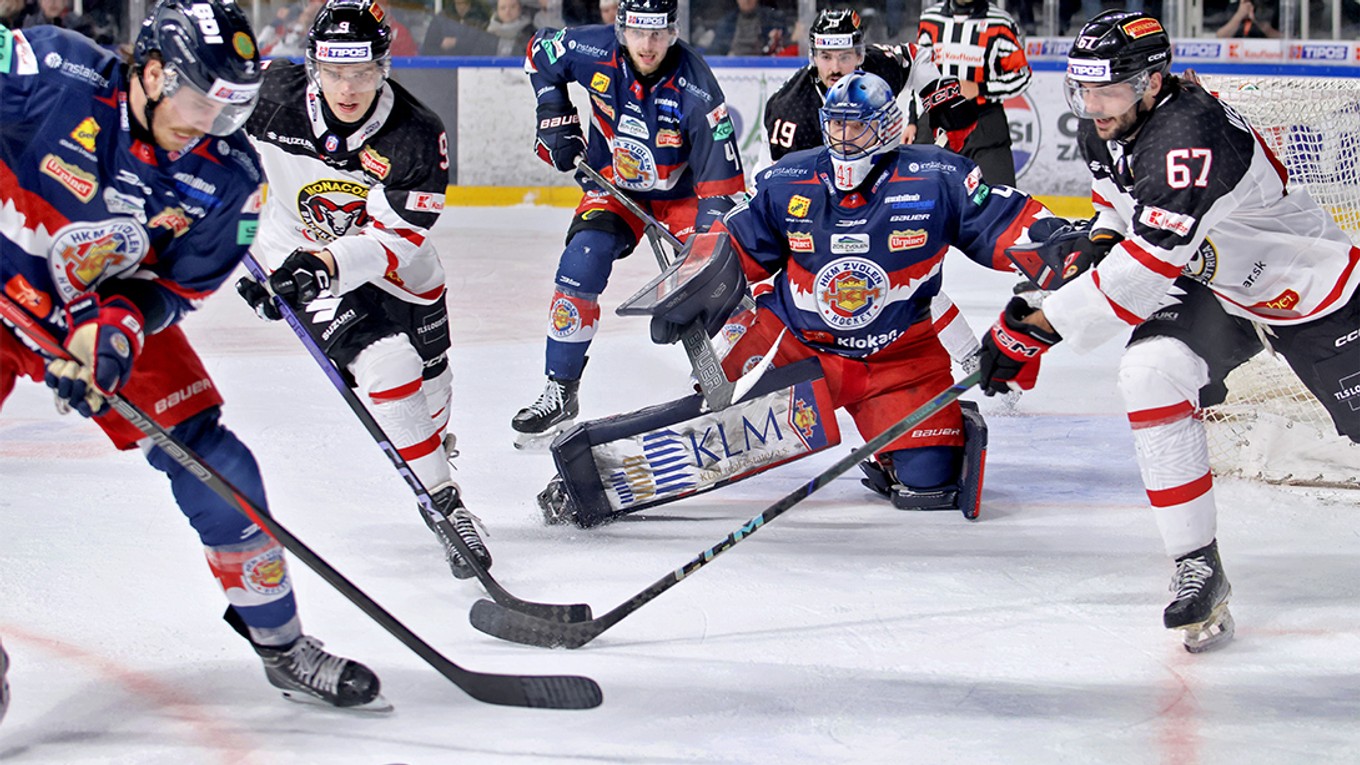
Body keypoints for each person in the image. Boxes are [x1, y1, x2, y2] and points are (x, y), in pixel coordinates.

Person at [0, 0, 383, 711]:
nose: (207, 122)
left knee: (218, 468)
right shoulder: (51, 70)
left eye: (227, 109)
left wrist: (112, 336)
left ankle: (282, 642)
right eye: (199, 100)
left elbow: (168, 288)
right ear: (149, 72)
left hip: (90, 305)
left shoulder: (228, 180)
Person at [975, 11, 1360, 653]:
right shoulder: (1109, 125)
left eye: (1107, 90)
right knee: (1149, 374)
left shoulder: (1189, 131)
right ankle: (1197, 564)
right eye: (1082, 89)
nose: (1091, 106)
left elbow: (1146, 269)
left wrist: (1036, 327)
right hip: (1214, 286)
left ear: (1153, 81)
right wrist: (1094, 243)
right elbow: (1113, 212)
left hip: (1305, 283)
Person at [659, 71, 1058, 518]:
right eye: (837, 124)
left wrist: (1060, 245)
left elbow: (1006, 222)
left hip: (899, 361)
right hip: (795, 347)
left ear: (887, 126)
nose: (844, 137)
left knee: (930, 483)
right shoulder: (790, 178)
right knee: (703, 437)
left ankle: (893, 448)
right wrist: (691, 290)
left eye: (858, 125)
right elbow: (736, 248)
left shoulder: (938, 177)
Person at [235, 0, 491, 581]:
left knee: (432, 383)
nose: (347, 88)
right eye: (333, 72)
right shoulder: (269, 98)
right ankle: (445, 505)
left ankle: (427, 450)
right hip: (295, 254)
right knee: (389, 365)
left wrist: (325, 262)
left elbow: (398, 237)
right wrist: (246, 249)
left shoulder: (416, 134)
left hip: (397, 265)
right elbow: (215, 160)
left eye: (362, 73)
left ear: (384, 66)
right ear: (312, 67)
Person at [513, 0, 746, 447]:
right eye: (639, 32)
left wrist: (704, 262)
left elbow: (721, 192)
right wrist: (553, 113)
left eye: (658, 33)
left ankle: (744, 377)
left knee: (726, 278)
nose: (648, 44)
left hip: (686, 197)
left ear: (673, 32)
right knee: (580, 264)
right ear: (620, 29)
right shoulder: (589, 48)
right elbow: (539, 53)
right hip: (615, 187)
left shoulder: (698, 90)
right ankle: (561, 389)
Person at [759, 9, 987, 382]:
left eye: (845, 56)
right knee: (805, 291)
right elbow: (784, 188)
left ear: (861, 55)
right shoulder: (791, 111)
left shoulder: (879, 67)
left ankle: (972, 359)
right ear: (813, 56)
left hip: (884, 185)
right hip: (822, 203)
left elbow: (917, 58)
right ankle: (758, 361)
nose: (836, 67)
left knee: (913, 280)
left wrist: (939, 95)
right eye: (827, 57)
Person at [915, 0, 1031, 187]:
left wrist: (980, 88)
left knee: (1000, 201)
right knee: (923, 196)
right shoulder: (930, 19)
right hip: (936, 121)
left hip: (984, 123)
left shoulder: (1001, 22)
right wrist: (912, 121)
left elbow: (1022, 77)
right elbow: (919, 72)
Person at [707, 0, 786, 56]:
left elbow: (785, 47)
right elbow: (714, 52)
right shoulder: (727, 23)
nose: (747, 1)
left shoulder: (772, 20)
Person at [1215, 0, 1279, 38]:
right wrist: (1239, 15)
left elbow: (1285, 38)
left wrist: (1262, 25)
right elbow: (1220, 36)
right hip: (1236, 52)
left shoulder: (1273, 7)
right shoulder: (1234, 7)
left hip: (1265, 53)